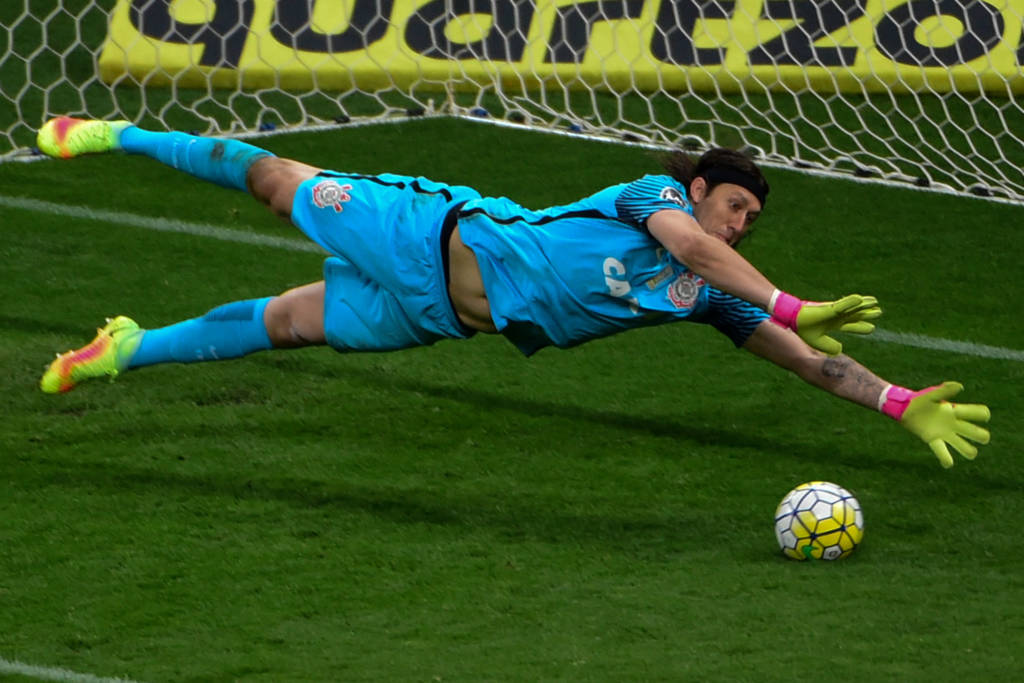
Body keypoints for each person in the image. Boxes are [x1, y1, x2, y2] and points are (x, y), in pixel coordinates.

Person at [34, 116, 991, 468]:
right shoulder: (650, 198)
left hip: (434, 313)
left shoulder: (700, 297)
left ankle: (123, 346)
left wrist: (898, 401)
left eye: (752, 221)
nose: (741, 225)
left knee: (284, 325)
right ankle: (112, 133)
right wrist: (786, 297)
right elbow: (695, 246)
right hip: (427, 230)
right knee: (276, 178)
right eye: (737, 205)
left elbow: (810, 364)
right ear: (701, 187)